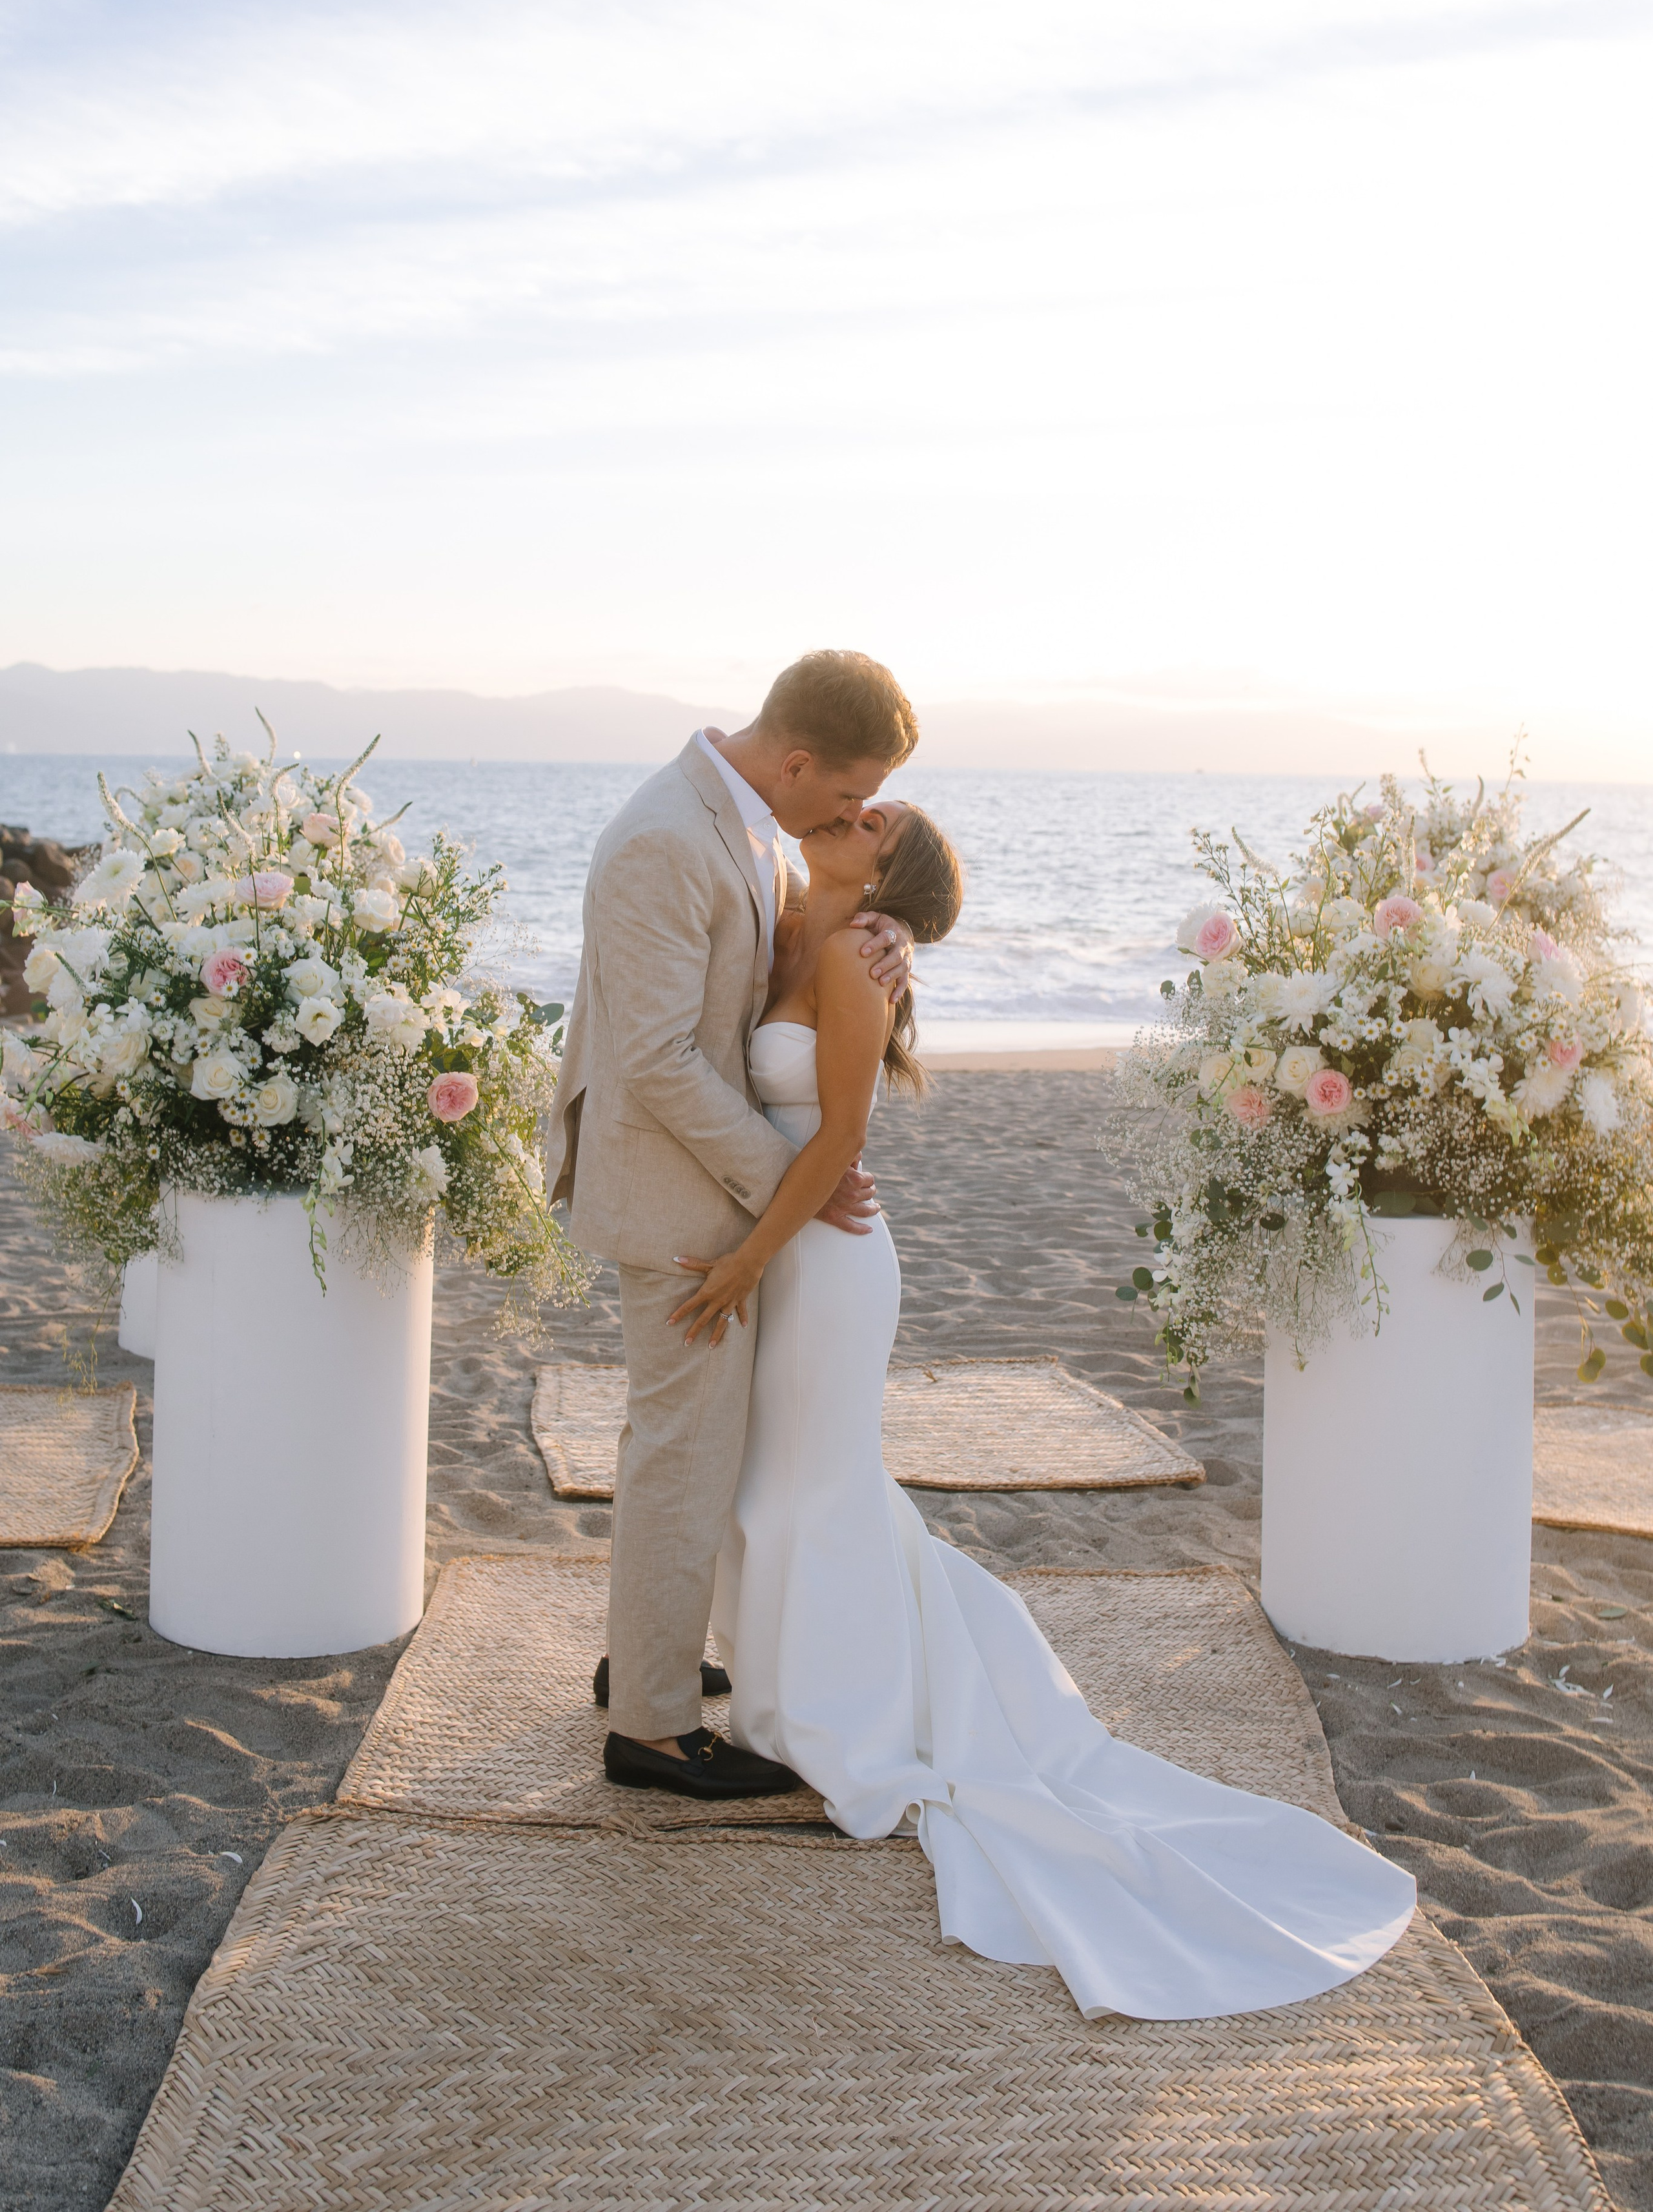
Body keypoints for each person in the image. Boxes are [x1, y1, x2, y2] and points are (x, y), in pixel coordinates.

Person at [670, 795, 1419, 2023]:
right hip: (784, 1243)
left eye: (871, 820)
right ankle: (783, 1699)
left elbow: (845, 1134)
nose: (845, 814)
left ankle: (827, 1719)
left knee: (810, 1486)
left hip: (821, 1257)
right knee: (777, 1484)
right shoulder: (794, 921)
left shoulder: (857, 964)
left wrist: (750, 1264)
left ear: (887, 875)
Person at [551, 649, 919, 1799]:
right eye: (855, 796)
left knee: (685, 1442)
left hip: (707, 1186)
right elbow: (655, 1057)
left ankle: (648, 1658)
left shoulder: (748, 821)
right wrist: (797, 1179)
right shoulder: (668, 835)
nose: (858, 814)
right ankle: (654, 1729)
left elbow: (766, 969)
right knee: (684, 1448)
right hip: (677, 1197)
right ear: (800, 760)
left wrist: (881, 934)